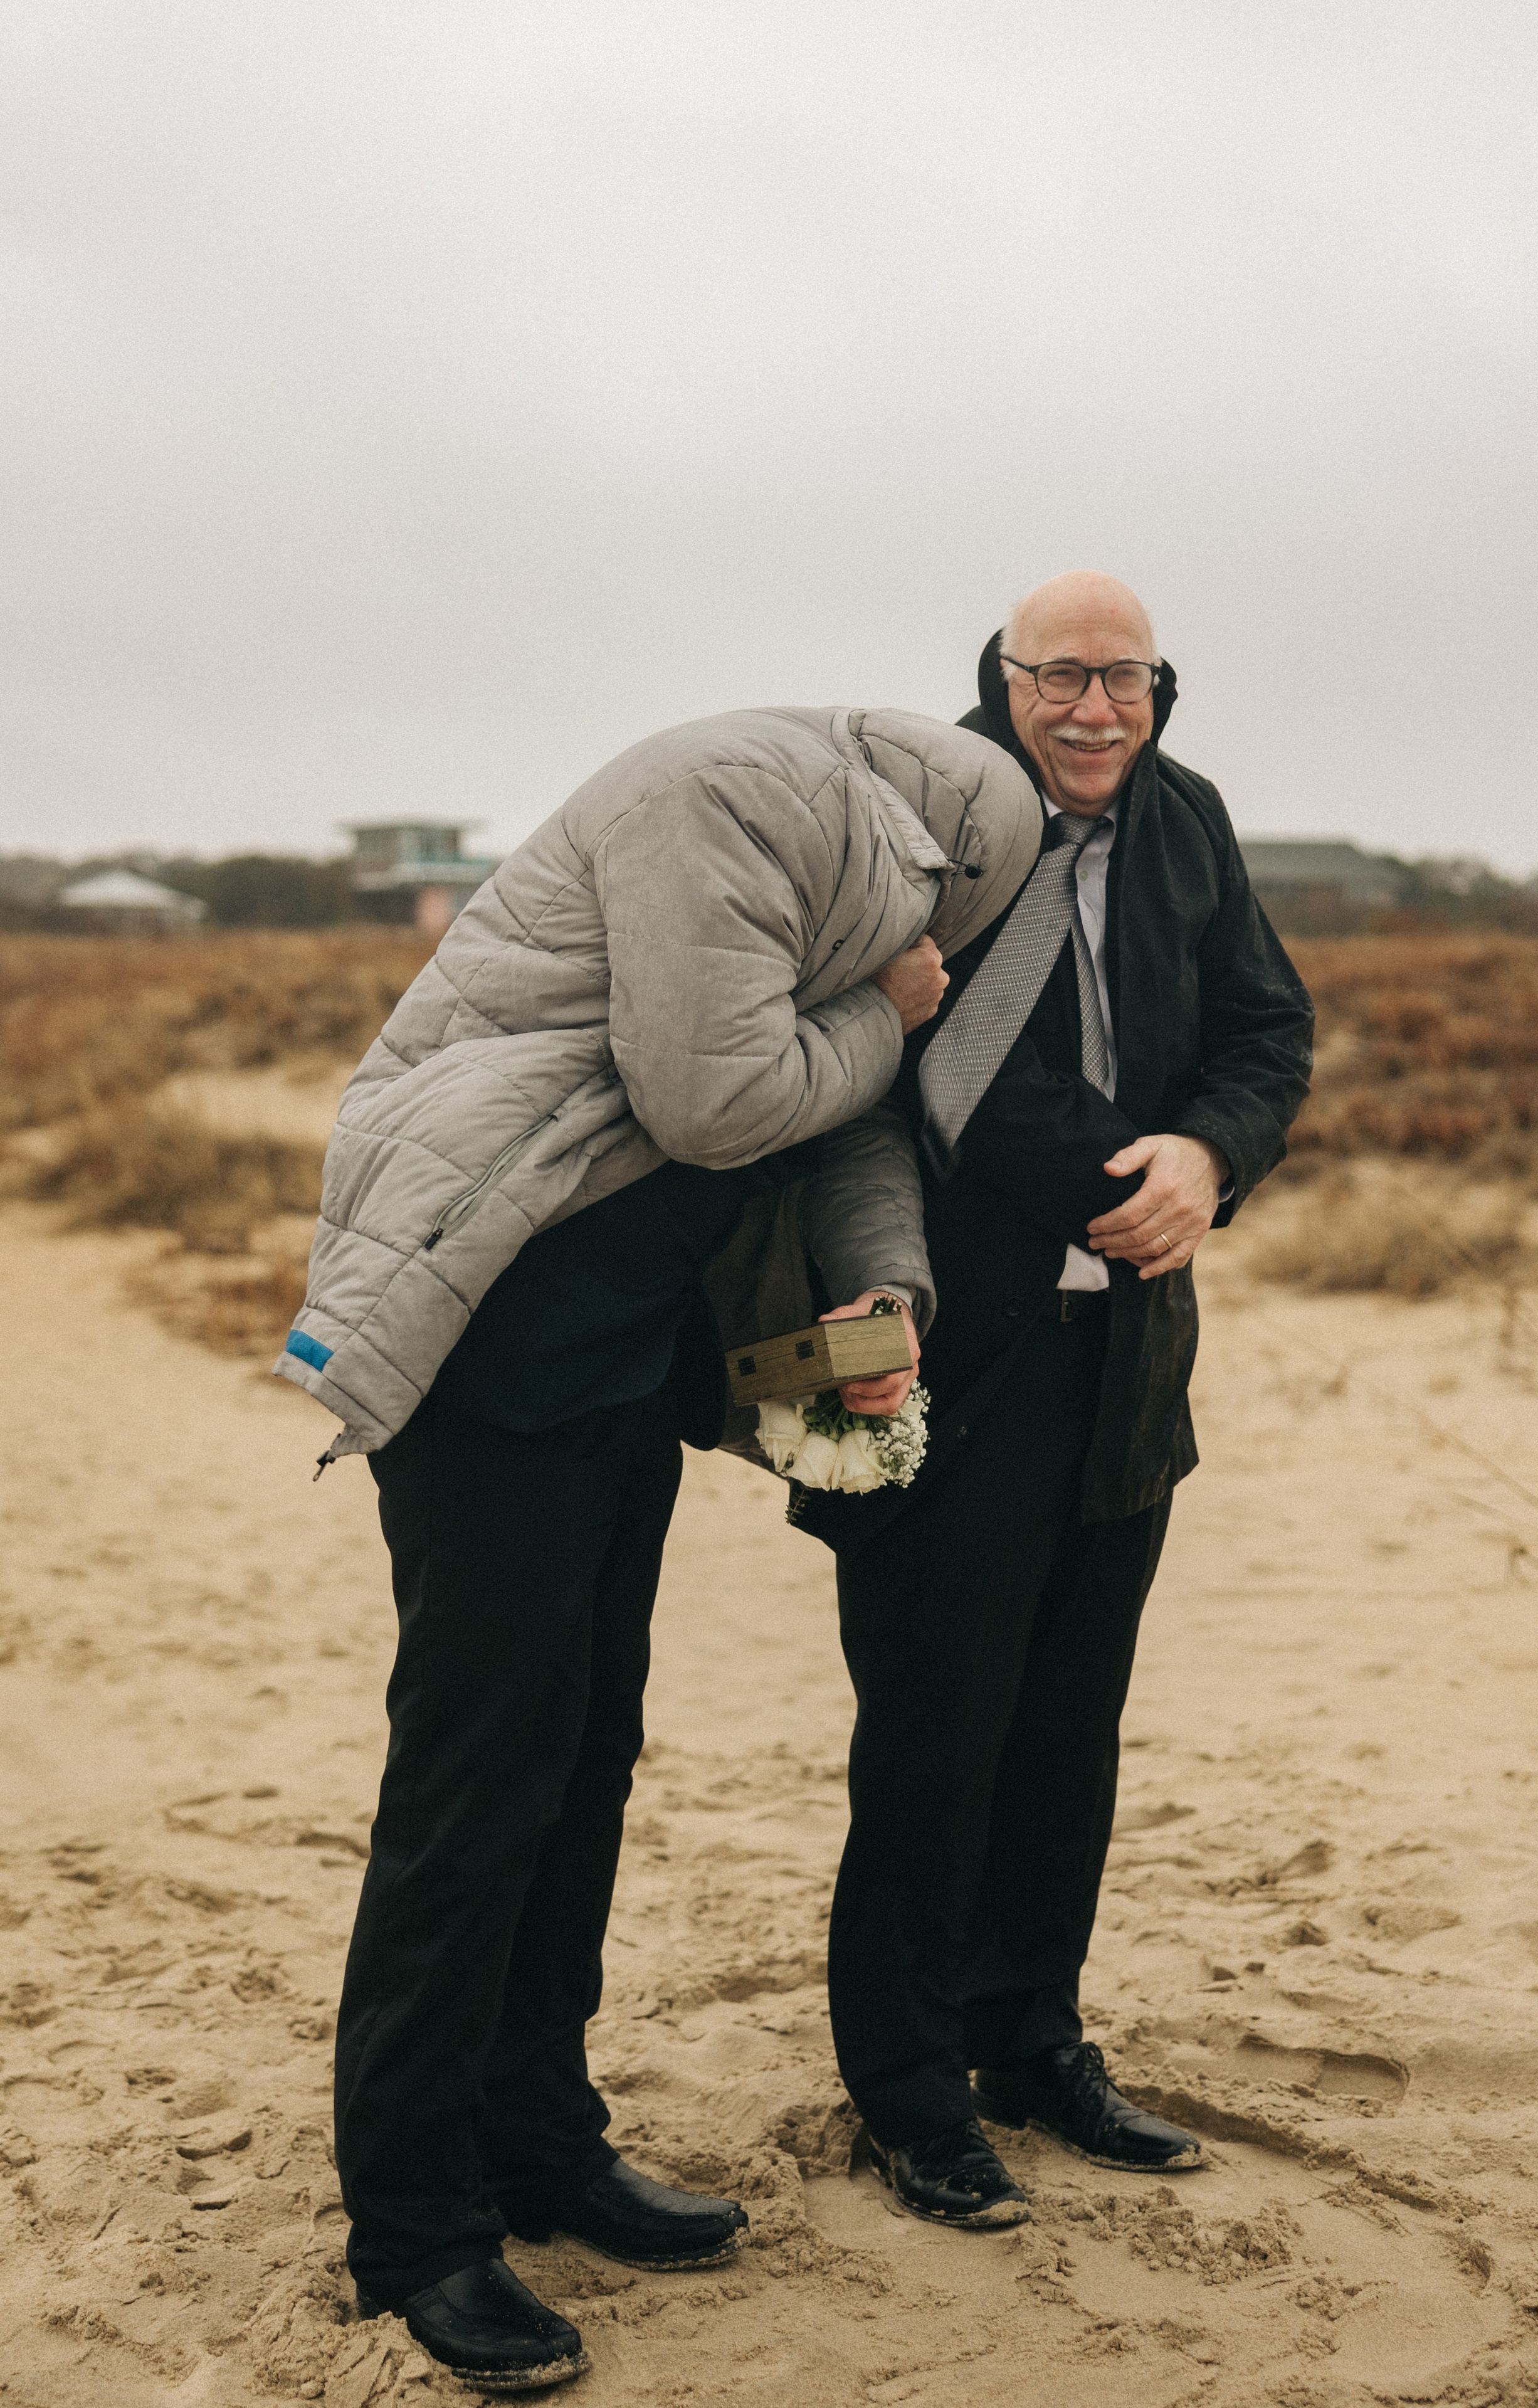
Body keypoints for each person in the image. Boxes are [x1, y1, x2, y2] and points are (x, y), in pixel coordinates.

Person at [275, 707, 1039, 2387]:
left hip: (621, 1363)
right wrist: (889, 1007)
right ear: (937, 856)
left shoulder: (845, 913)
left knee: (585, 1759)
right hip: (492, 1347)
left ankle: (540, 2140)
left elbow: (847, 1121)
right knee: (476, 1787)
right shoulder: (736, 797)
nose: (931, 951)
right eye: (941, 922)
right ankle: (417, 2231)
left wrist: (883, 1289)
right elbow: (713, 1099)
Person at [794, 576, 1315, 2229]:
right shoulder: (923, 820)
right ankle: (910, 2090)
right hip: (927, 1346)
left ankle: (1031, 2043)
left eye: (1125, 680)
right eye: (1061, 678)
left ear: (1161, 689)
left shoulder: (1188, 819)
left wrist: (1210, 1154)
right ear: (1002, 679)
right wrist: (1132, 1180)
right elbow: (938, 1073)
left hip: (1129, 1356)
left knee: (1069, 1728)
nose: (1095, 710)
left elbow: (1267, 1026)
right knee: (933, 1735)